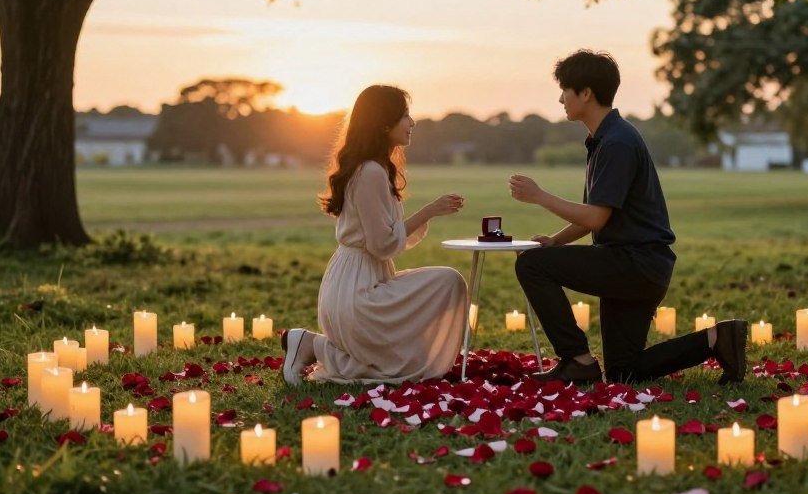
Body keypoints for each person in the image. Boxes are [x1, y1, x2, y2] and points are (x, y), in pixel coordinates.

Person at [509, 50, 747, 384]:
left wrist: (539, 197)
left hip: (635, 264)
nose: (560, 98)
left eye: (565, 89)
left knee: (532, 265)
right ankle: (718, 339)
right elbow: (593, 214)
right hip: (636, 265)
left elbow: (595, 219)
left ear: (586, 93)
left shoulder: (617, 143)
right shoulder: (604, 139)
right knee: (624, 371)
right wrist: (555, 241)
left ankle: (576, 360)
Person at [281, 85, 468, 384]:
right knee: (449, 281)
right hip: (357, 295)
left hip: (363, 281)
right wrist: (429, 211)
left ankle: (313, 345)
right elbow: (383, 245)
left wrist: (426, 213)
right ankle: (315, 346)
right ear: (384, 122)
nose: (412, 123)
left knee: (401, 362)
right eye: (405, 115)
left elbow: (390, 240)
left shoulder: (375, 168)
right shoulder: (369, 172)